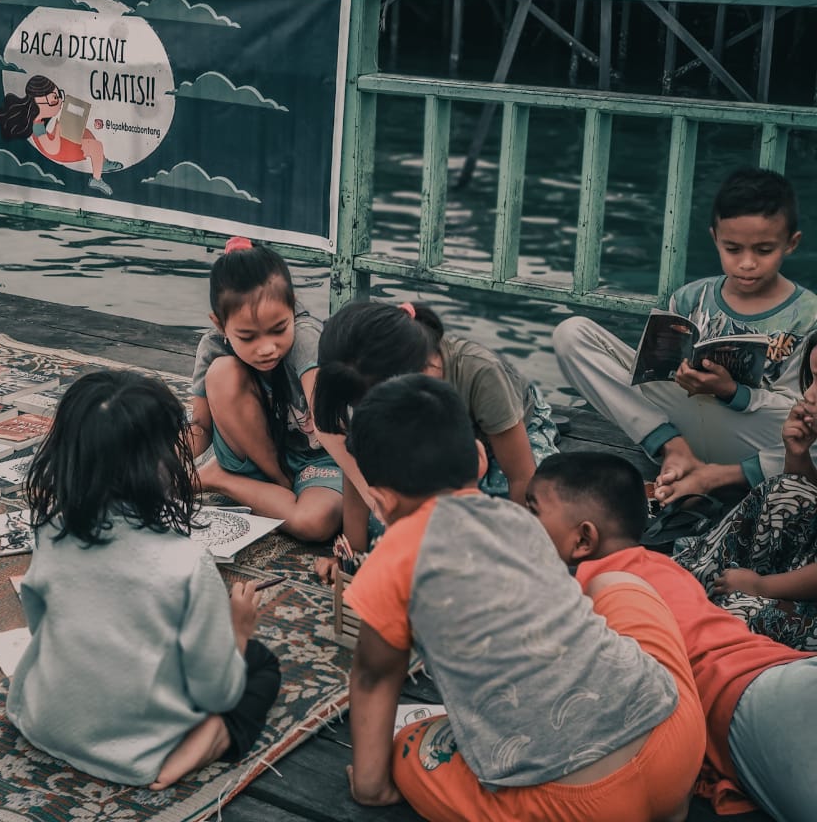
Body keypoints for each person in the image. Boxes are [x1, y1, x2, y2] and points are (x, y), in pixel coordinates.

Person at [341, 375, 704, 821]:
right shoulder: (523, 521)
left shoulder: (390, 563)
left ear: (381, 501)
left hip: (577, 807)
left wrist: (370, 786)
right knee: (617, 585)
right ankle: (670, 805)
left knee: (411, 750)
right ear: (478, 459)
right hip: (677, 745)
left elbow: (375, 678)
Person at [7, 370, 281, 789]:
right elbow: (218, 694)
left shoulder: (52, 528)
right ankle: (204, 743)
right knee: (261, 666)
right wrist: (238, 631)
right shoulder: (187, 561)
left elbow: (39, 624)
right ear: (162, 462)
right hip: (137, 751)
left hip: (41, 720)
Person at [525, 451, 817, 822]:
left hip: (752, 702)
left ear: (584, 539)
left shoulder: (590, 585)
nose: (518, 524)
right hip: (780, 671)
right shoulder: (663, 567)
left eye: (531, 512)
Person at [554, 168, 817, 506]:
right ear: (715, 239)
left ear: (790, 244)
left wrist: (732, 392)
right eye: (733, 249)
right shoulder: (690, 298)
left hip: (755, 440)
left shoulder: (809, 316)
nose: (747, 263)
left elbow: (799, 413)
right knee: (571, 334)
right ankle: (672, 451)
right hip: (683, 421)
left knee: (806, 421)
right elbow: (654, 373)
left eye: (764, 250)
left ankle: (717, 476)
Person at [311, 300, 559, 579]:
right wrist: (352, 557)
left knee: (542, 512)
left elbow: (521, 476)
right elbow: (358, 466)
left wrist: (516, 564)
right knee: (387, 525)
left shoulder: (480, 372)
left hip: (500, 441)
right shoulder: (370, 386)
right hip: (436, 446)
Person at [185, 237, 343, 541]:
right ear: (220, 325)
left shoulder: (306, 338)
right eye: (248, 337)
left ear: (293, 306)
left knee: (315, 523)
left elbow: (326, 424)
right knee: (222, 372)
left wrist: (370, 490)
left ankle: (219, 478)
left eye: (278, 329)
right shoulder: (213, 346)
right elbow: (200, 428)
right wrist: (159, 461)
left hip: (319, 457)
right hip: (255, 456)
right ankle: (276, 483)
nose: (267, 348)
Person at [672, 330, 817, 649]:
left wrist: (762, 585)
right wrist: (796, 452)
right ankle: (704, 575)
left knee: (735, 618)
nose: (809, 396)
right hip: (797, 570)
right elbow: (802, 498)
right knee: (783, 487)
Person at [0, 74, 115, 195]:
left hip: (55, 143)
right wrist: (58, 130)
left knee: (86, 132)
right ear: (38, 102)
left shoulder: (39, 123)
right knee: (96, 146)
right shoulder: (37, 127)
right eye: (54, 99)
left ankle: (102, 162)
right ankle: (96, 179)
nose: (59, 102)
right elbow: (52, 149)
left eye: (59, 96)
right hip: (58, 151)